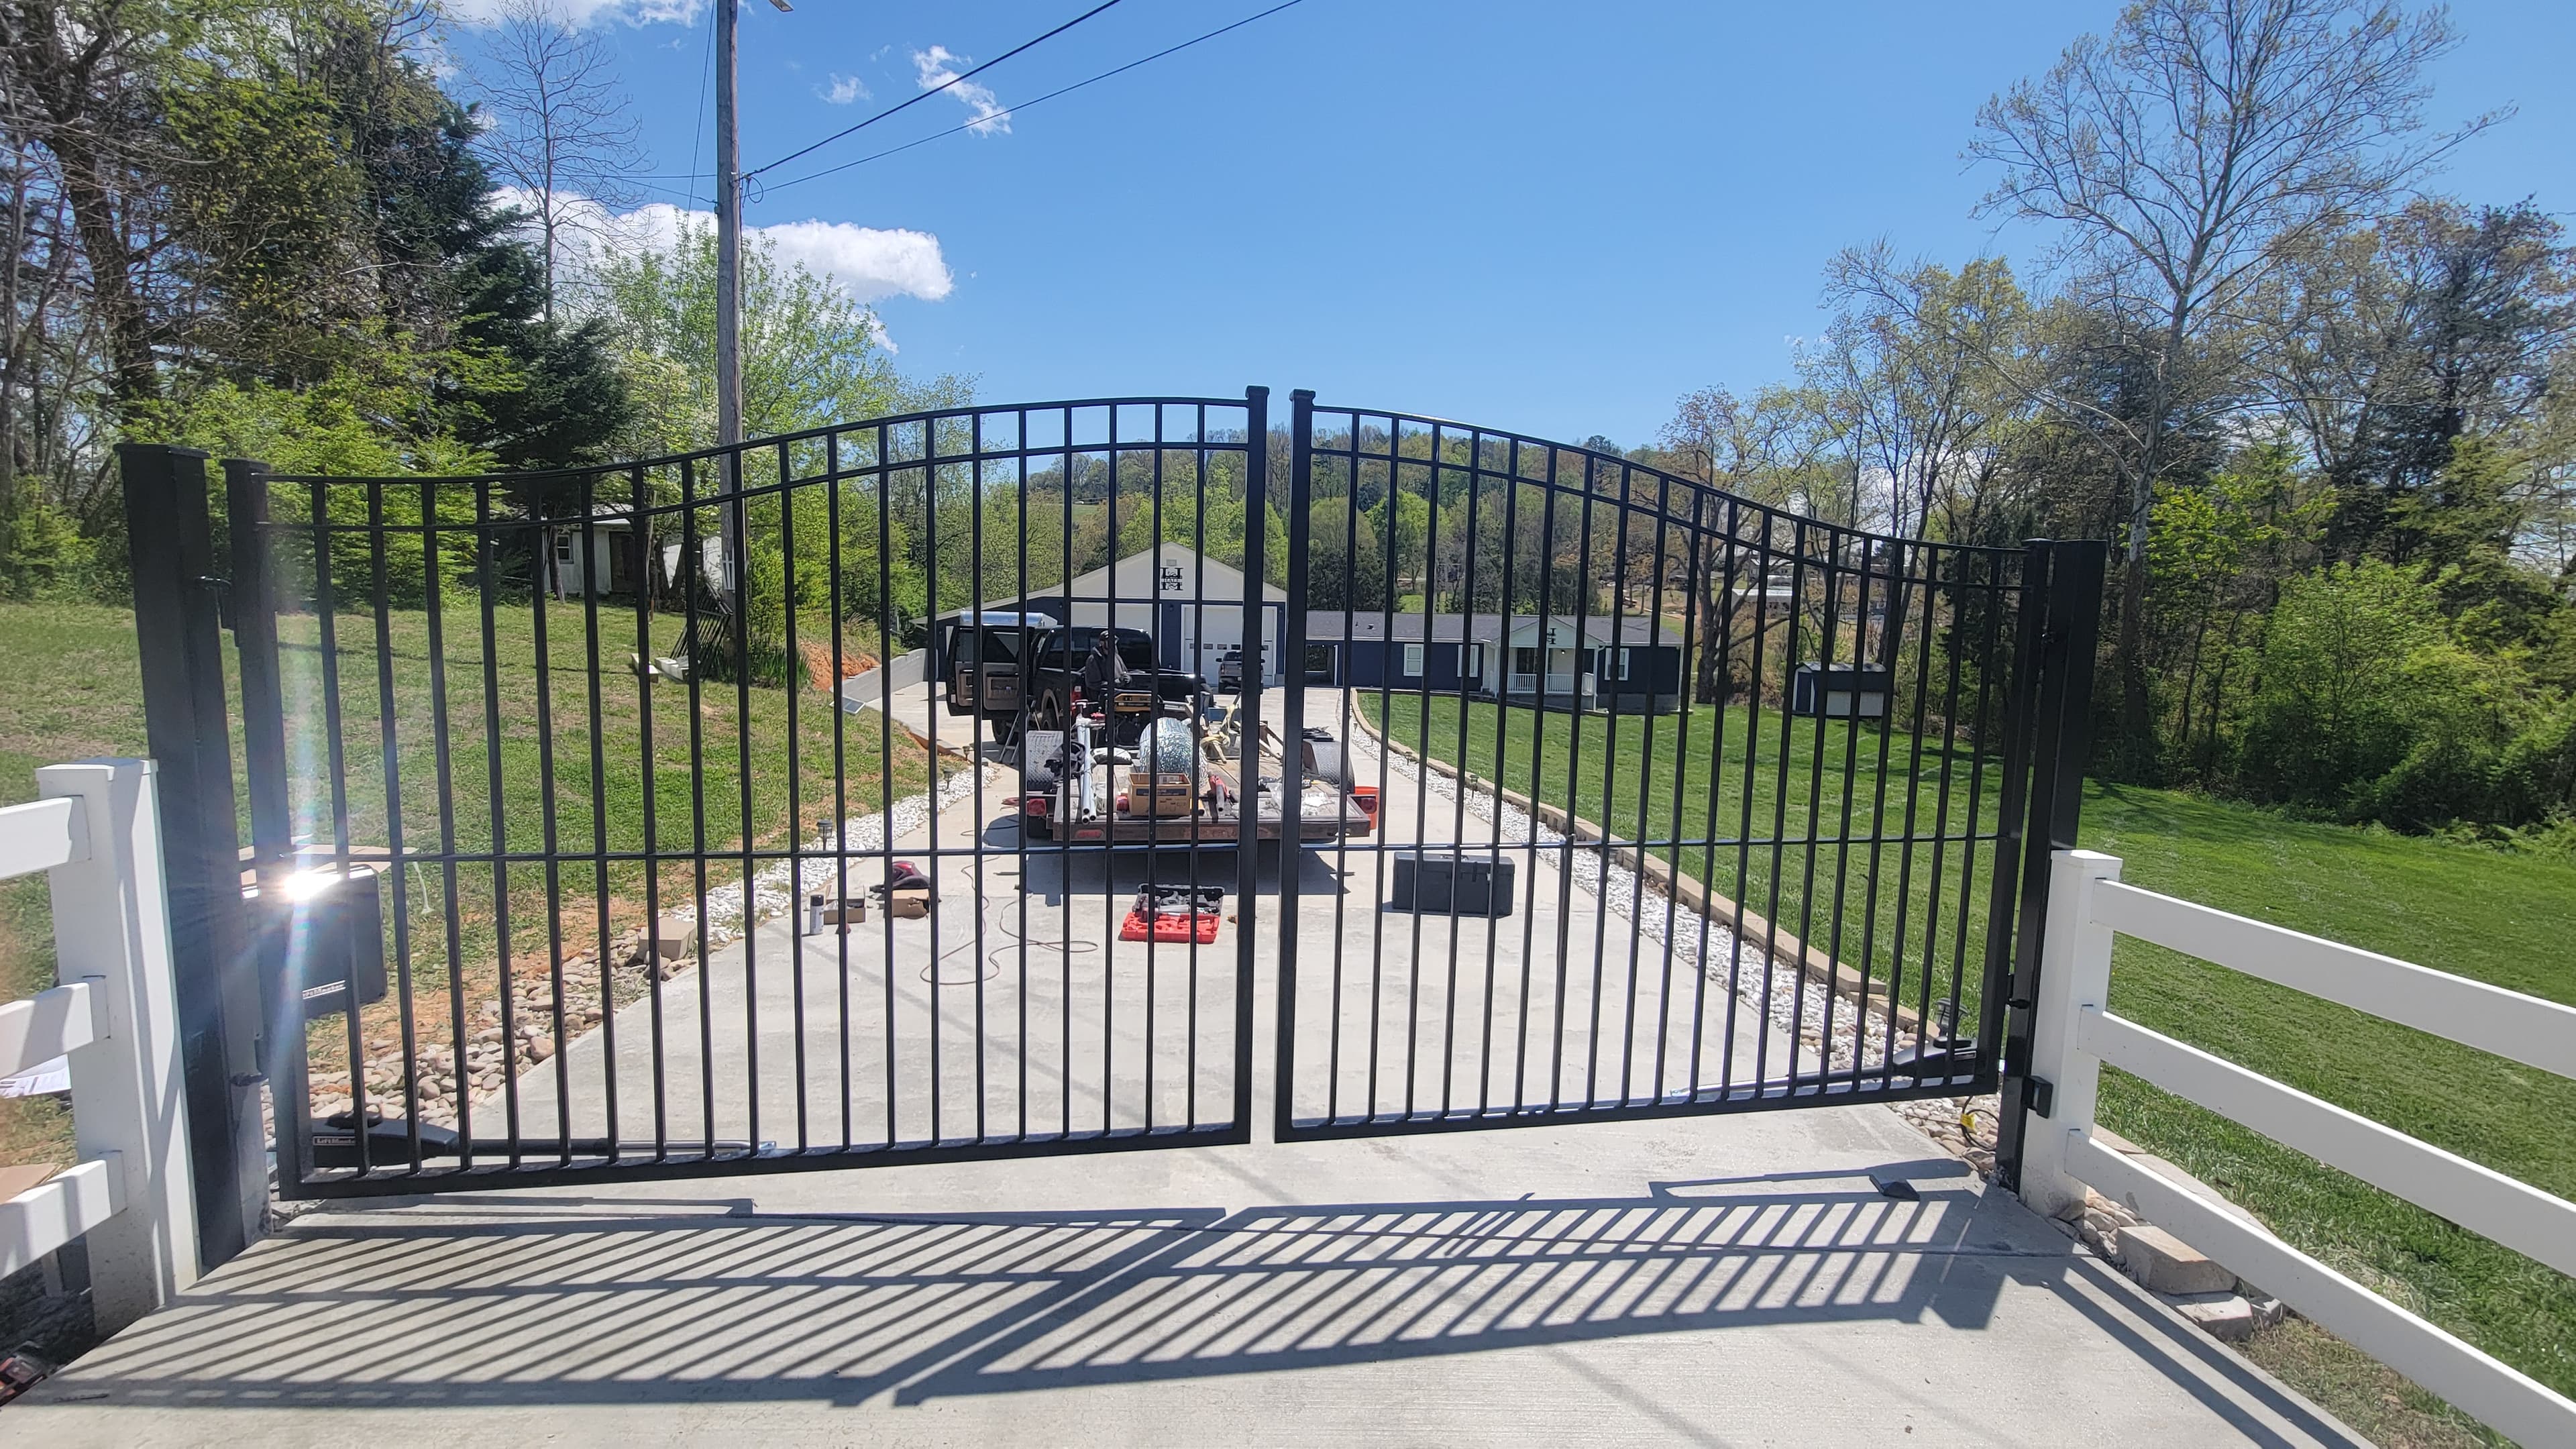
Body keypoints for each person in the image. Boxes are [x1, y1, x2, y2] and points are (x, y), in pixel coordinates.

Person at [1078, 629, 1130, 702]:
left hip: (1119, 699)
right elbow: (1093, 684)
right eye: (1110, 641)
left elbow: (1125, 673)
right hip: (1101, 701)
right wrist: (1115, 683)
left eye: (1115, 641)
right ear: (1102, 643)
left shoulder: (1117, 657)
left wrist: (1127, 679)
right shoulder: (1094, 659)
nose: (1113, 643)